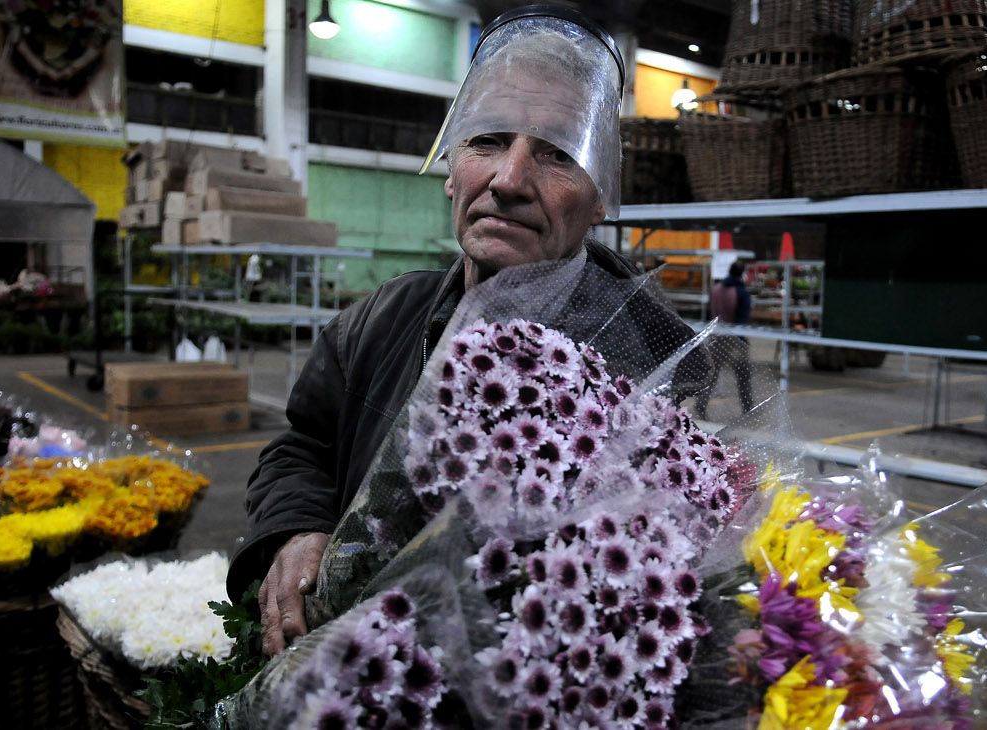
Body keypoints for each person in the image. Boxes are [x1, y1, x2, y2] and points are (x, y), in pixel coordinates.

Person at [229, 6, 693, 656]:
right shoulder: (384, 318)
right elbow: (304, 445)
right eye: (488, 142)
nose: (509, 181)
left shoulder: (662, 368)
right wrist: (297, 529)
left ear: (601, 198)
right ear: (451, 169)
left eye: (557, 154)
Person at [694, 260, 754, 418]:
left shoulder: (716, 289)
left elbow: (710, 312)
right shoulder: (741, 292)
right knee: (743, 377)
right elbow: (742, 319)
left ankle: (701, 404)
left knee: (711, 376)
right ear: (741, 273)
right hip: (735, 339)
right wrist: (743, 339)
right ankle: (749, 409)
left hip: (716, 336)